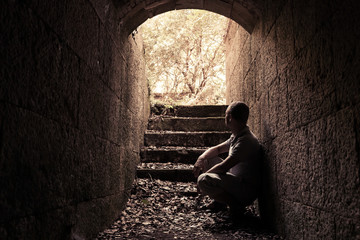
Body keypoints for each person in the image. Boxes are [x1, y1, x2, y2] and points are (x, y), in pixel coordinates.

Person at [193, 101, 261, 217]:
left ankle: (235, 205)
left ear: (229, 118)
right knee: (208, 160)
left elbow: (223, 167)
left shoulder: (245, 141)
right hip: (236, 182)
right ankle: (220, 203)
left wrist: (202, 180)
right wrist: (201, 158)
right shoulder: (237, 135)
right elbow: (218, 149)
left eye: (225, 115)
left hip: (245, 191)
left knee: (203, 180)